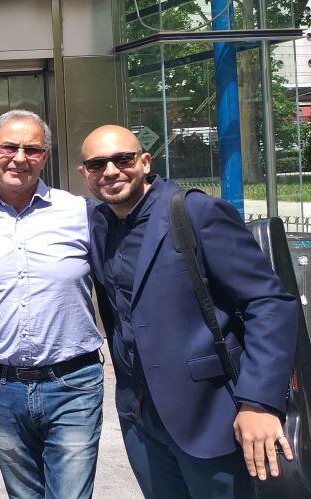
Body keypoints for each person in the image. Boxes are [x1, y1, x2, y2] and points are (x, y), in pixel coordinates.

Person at [79, 125, 298, 497]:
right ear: (85, 173)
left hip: (212, 414)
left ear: (145, 162)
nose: (111, 171)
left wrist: (259, 402)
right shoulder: (98, 223)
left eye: (123, 159)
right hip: (141, 419)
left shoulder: (195, 212)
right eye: (97, 163)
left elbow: (269, 302)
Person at [0, 110, 104, 498]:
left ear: (45, 155)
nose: (19, 157)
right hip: (2, 388)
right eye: (9, 146)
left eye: (32, 149)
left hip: (73, 384)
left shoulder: (80, 213)